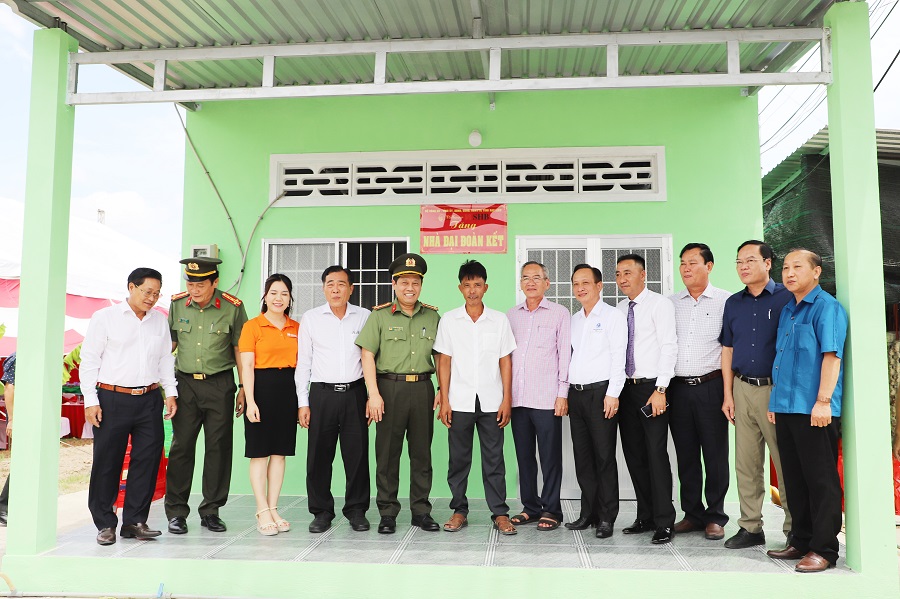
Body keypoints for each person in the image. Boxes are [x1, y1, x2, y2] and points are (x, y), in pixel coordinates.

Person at [80, 268, 178, 545]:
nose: (152, 298)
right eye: (147, 292)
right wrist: (91, 400)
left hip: (149, 399)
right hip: (112, 398)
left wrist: (170, 393)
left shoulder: (159, 321)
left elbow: (164, 359)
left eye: (156, 294)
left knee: (147, 460)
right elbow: (90, 360)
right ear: (131, 287)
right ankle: (105, 523)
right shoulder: (105, 318)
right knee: (107, 461)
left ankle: (135, 521)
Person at [765, 249, 848, 573]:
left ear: (816, 272)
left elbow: (832, 356)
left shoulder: (827, 308)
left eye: (797, 267)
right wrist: (775, 403)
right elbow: (782, 359)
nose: (789, 273)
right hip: (786, 408)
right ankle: (800, 540)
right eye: (786, 267)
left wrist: (823, 401)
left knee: (820, 480)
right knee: (794, 478)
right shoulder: (788, 309)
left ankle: (824, 548)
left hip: (814, 409)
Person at [355, 253, 441, 535]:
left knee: (422, 454)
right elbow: (367, 355)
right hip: (389, 389)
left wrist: (442, 389)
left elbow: (441, 357)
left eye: (415, 282)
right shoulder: (379, 316)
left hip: (423, 388)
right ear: (394, 284)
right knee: (388, 455)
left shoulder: (432, 316)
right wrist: (373, 394)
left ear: (421, 285)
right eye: (404, 282)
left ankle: (421, 511)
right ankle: (388, 512)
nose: (410, 288)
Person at [166, 257, 248, 535]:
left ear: (215, 282)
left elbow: (240, 349)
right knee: (181, 447)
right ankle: (176, 512)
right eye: (190, 284)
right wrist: (166, 387)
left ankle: (211, 511)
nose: (194, 289)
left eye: (200, 284)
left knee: (218, 448)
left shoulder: (233, 307)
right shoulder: (177, 304)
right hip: (185, 384)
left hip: (219, 384)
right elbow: (169, 346)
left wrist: (244, 387)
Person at [434, 260, 517, 535]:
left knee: (494, 460)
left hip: (492, 400)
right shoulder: (449, 320)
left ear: (486, 287)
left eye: (477, 285)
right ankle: (459, 510)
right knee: (458, 460)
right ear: (460, 288)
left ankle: (500, 513)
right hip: (459, 400)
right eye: (467, 285)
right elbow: (444, 361)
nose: (472, 290)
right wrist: (445, 399)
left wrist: (506, 399)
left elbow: (505, 360)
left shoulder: (499, 320)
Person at [720, 240, 793, 550]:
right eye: (739, 262)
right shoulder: (733, 303)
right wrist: (728, 394)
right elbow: (727, 349)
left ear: (768, 263)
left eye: (750, 260)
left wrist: (782, 393)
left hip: (774, 391)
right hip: (742, 388)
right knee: (746, 464)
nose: (743, 266)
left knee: (784, 462)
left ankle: (794, 529)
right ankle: (750, 527)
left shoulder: (787, 297)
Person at [295, 266, 371, 534]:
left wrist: (371, 396)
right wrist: (303, 402)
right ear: (324, 288)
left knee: (357, 455)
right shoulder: (311, 318)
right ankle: (321, 512)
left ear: (351, 289)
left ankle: (357, 510)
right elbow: (304, 362)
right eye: (330, 284)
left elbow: (372, 358)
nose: (336, 289)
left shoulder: (364, 316)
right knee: (318, 456)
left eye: (341, 284)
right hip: (321, 395)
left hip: (355, 394)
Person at [668, 243, 731, 541]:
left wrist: (728, 394)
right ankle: (692, 514)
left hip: (711, 386)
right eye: (683, 263)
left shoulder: (726, 301)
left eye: (692, 262)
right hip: (678, 389)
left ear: (709, 266)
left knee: (715, 454)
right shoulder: (671, 303)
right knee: (686, 454)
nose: (686, 268)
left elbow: (730, 348)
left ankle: (715, 516)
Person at [615, 253, 678, 544]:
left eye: (628, 272)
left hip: (651, 388)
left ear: (643, 274)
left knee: (655, 453)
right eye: (618, 274)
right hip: (625, 389)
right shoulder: (619, 309)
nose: (622, 279)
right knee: (634, 454)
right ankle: (645, 515)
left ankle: (664, 521)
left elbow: (669, 346)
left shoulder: (659, 305)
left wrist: (661, 389)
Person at [506, 261, 571, 531]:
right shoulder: (511, 315)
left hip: (546, 399)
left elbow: (565, 356)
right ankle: (530, 507)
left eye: (536, 278)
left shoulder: (559, 313)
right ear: (520, 283)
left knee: (549, 457)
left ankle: (551, 509)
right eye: (525, 278)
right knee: (524, 457)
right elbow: (505, 358)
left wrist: (562, 394)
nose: (530, 282)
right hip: (517, 399)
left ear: (547, 283)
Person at [567, 264, 627, 539]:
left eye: (585, 283)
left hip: (601, 394)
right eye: (576, 284)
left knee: (604, 457)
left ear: (599, 286)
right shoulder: (574, 320)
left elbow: (618, 357)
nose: (580, 288)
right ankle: (588, 513)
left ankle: (606, 517)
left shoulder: (613, 316)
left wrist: (613, 394)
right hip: (576, 394)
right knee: (583, 458)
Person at [239, 273, 300, 536]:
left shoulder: (297, 327)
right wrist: (251, 401)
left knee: (279, 453)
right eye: (273, 293)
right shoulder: (252, 326)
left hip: (288, 391)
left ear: (290, 298)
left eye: (284, 293)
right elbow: (247, 366)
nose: (278, 298)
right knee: (259, 453)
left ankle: (274, 508)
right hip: (260, 390)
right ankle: (262, 510)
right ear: (265, 296)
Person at [0, 351, 16, 525]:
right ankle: (3, 507)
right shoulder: (19, 357)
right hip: (20, 418)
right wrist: (12, 419)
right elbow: (9, 388)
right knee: (21, 463)